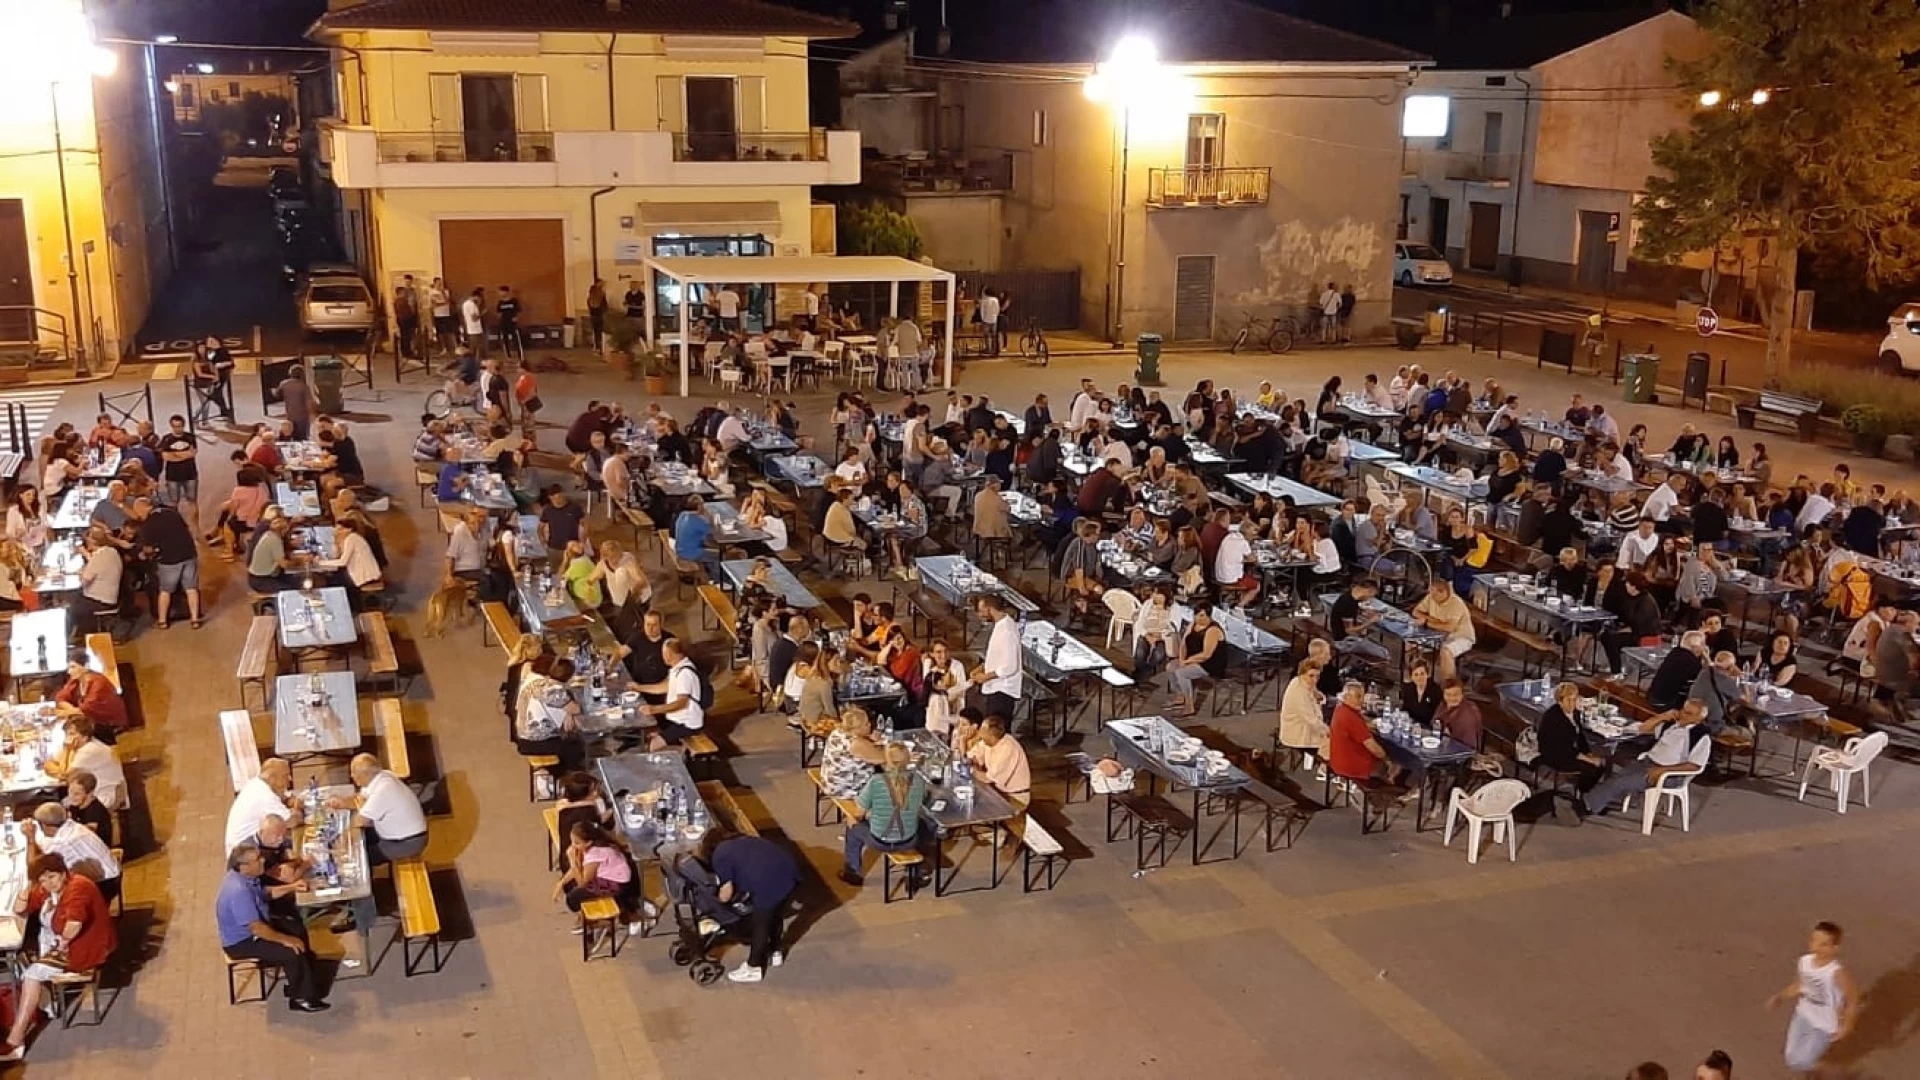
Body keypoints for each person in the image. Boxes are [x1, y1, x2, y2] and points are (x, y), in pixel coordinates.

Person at [0, 853, 117, 1059]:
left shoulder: (77, 889)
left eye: (51, 877)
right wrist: (28, 888)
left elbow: (74, 924)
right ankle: (46, 1005)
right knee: (26, 959)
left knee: (30, 975)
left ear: (64, 874)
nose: (47, 883)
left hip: (82, 949)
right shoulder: (49, 888)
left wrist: (61, 944)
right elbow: (20, 908)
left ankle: (16, 1038)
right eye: (42, 880)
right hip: (65, 944)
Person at [216, 842, 329, 1015]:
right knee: (292, 951)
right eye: (258, 859)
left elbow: (265, 893)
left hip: (258, 926)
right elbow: (257, 929)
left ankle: (307, 974)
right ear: (244, 866)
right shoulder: (239, 891)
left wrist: (291, 887)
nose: (263, 861)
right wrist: (286, 940)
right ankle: (301, 997)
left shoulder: (246, 878)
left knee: (296, 927)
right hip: (243, 942)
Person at [1582, 699, 1713, 815]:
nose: (1683, 715)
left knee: (1619, 782)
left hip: (1669, 774)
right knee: (1617, 777)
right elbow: (1643, 728)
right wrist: (1662, 716)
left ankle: (1584, 806)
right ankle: (1596, 802)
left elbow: (1695, 765)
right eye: (1683, 710)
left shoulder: (1701, 737)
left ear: (1698, 719)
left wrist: (1663, 771)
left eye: (1688, 713)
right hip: (1648, 762)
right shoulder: (1672, 724)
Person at [708, 832, 801, 984]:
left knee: (760, 923)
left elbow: (727, 891)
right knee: (776, 914)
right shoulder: (744, 840)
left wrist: (717, 901)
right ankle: (775, 951)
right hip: (790, 872)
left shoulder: (719, 855)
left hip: (769, 881)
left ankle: (754, 967)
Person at [1768, 921, 1858, 1077]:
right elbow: (1799, 985)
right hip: (1803, 1014)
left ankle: (1828, 1072)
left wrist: (1847, 1026)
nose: (1815, 946)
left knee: (1798, 1061)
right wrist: (1780, 996)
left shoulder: (1836, 972)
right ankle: (1818, 1070)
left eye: (1822, 944)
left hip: (1824, 1024)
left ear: (1834, 949)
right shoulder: (1804, 962)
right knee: (1791, 1055)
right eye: (1813, 940)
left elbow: (1853, 999)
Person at [839, 742, 931, 887]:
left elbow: (859, 813)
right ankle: (917, 870)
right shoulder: (918, 781)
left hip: (879, 840)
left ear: (887, 760)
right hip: (908, 839)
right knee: (926, 825)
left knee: (852, 827)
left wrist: (857, 818)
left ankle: (853, 872)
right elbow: (922, 800)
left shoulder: (876, 782)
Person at [327, 753, 428, 866]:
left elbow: (359, 821)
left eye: (354, 773)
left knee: (360, 859)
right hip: (392, 831)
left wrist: (343, 838)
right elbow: (360, 798)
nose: (352, 776)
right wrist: (343, 802)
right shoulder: (380, 776)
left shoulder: (383, 791)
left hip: (406, 842)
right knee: (358, 839)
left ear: (364, 776)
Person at [550, 820, 643, 933]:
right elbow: (580, 870)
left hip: (616, 883)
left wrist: (572, 861)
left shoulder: (595, 854)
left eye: (577, 843)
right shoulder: (593, 846)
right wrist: (562, 882)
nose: (573, 846)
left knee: (573, 897)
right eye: (572, 841)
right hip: (611, 876)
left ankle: (596, 921)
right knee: (571, 885)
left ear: (588, 842)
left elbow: (583, 883)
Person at [24, 800, 119, 905]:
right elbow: (46, 846)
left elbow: (34, 869)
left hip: (103, 885)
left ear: (45, 826)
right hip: (111, 874)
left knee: (42, 893)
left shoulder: (63, 842)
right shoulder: (71, 825)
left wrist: (30, 839)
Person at [1539, 680, 1607, 804]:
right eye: (1568, 700)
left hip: (1570, 751)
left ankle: (1586, 794)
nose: (1572, 703)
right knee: (1591, 768)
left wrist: (1589, 753)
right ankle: (1583, 798)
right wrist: (1588, 760)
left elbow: (1580, 736)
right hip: (1556, 755)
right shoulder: (1553, 719)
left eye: (1574, 699)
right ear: (1560, 701)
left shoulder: (1575, 713)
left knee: (1602, 763)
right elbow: (1565, 748)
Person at [516, 657, 585, 773]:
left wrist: (568, 712)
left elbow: (567, 707)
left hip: (524, 737)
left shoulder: (538, 682)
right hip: (536, 742)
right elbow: (576, 709)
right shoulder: (552, 690)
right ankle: (567, 779)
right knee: (577, 747)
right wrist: (570, 711)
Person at [643, 637, 706, 748]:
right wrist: (638, 688)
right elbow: (663, 687)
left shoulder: (684, 674)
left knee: (654, 744)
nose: (664, 657)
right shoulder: (677, 669)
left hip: (688, 724)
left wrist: (654, 709)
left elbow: (681, 703)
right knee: (649, 735)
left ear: (674, 654)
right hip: (679, 720)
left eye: (666, 653)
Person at [967, 593, 1022, 719]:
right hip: (996, 688)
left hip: (1003, 690)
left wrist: (985, 676)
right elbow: (998, 656)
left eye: (982, 611)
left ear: (989, 609)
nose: (980, 615)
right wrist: (981, 667)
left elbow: (1010, 666)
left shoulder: (1007, 631)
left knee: (997, 731)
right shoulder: (1000, 625)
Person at [53, 650, 128, 740]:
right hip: (91, 720)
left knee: (75, 737)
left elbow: (87, 709)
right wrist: (71, 710)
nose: (69, 672)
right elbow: (60, 697)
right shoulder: (75, 680)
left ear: (86, 666)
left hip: (107, 724)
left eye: (73, 667)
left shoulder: (99, 683)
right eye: (68, 668)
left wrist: (62, 712)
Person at [1327, 681, 1393, 783]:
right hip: (1352, 765)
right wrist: (1387, 759)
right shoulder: (1351, 718)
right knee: (1392, 767)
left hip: (1336, 761)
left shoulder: (1340, 708)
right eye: (1358, 697)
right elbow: (1374, 748)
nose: (1362, 700)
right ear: (1347, 697)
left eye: (1362, 696)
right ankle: (1386, 795)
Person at [1168, 606, 1227, 717]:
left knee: (1182, 673)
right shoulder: (1193, 625)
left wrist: (1187, 661)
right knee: (1171, 667)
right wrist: (1182, 659)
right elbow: (1184, 643)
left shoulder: (1213, 630)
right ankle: (1180, 696)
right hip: (1192, 659)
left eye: (1201, 615)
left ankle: (1189, 706)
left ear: (1208, 616)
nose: (1198, 618)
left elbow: (1206, 654)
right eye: (1196, 615)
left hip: (1209, 663)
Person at [1413, 580, 1475, 682]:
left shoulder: (1456, 603)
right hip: (1438, 634)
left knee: (1446, 651)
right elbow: (1416, 612)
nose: (1431, 597)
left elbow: (1450, 628)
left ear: (1443, 592)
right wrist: (1435, 621)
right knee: (1412, 644)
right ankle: (1418, 680)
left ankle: (1448, 684)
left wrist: (1426, 622)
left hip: (1460, 636)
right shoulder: (1431, 597)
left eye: (1434, 594)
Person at [965, 714, 1031, 808]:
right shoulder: (986, 742)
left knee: (976, 807)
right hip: (997, 791)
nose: (979, 733)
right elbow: (971, 756)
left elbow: (987, 779)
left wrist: (972, 770)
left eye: (983, 731)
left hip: (1015, 797)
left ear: (991, 736)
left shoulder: (1008, 748)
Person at [819, 708, 885, 799]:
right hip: (845, 789)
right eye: (866, 724)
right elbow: (882, 758)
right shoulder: (856, 743)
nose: (870, 725)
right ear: (857, 728)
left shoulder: (837, 732)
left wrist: (869, 739)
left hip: (830, 783)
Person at [63, 770, 113, 838]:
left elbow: (87, 835)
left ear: (90, 793)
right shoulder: (74, 806)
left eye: (77, 794)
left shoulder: (95, 811)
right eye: (70, 792)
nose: (71, 796)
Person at [1433, 679, 1482, 748]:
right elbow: (1435, 723)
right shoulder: (1443, 705)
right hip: (1440, 742)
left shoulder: (1468, 713)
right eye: (1448, 694)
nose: (1452, 698)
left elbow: (1468, 743)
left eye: (1456, 694)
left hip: (1460, 750)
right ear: (1443, 695)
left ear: (1462, 694)